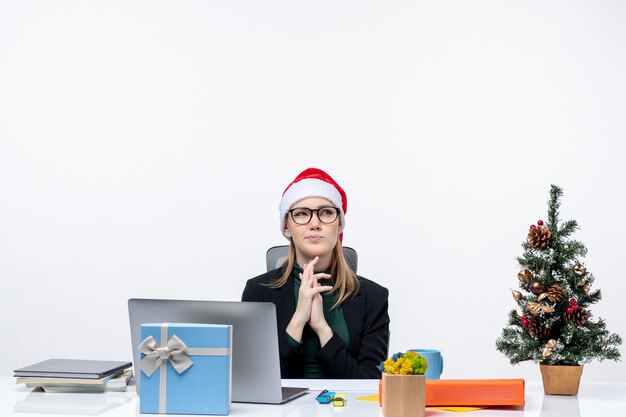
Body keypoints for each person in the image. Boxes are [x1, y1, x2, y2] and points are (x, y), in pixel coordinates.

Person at [242, 167, 390, 378]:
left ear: (339, 225)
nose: (315, 223)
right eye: (301, 213)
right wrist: (298, 320)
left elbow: (370, 385)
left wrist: (322, 328)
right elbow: (254, 379)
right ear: (286, 227)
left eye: (326, 212)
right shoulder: (257, 292)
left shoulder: (373, 297)